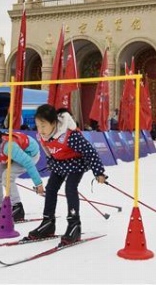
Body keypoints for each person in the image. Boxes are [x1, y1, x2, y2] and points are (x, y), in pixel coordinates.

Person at [29, 105, 106, 245]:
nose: (40, 130)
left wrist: (98, 172)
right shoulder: (42, 136)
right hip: (60, 163)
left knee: (70, 188)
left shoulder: (70, 135)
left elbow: (90, 151)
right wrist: (52, 164)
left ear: (54, 123)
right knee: (51, 188)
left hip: (76, 163)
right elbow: (49, 152)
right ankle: (48, 223)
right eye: (38, 126)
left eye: (43, 126)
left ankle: (74, 225)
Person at [0, 128, 44, 223]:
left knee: (7, 176)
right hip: (14, 156)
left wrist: (38, 184)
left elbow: (28, 162)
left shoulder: (8, 147)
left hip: (30, 155)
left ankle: (18, 207)